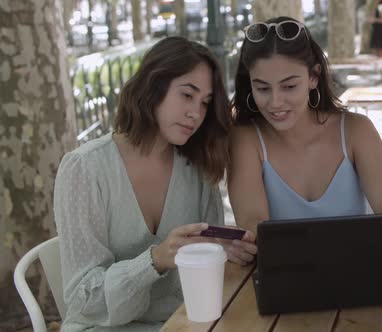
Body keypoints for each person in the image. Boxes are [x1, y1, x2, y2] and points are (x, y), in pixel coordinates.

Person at [53, 37, 257, 332]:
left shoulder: (198, 169)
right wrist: (156, 260)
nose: (195, 114)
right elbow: (83, 302)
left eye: (205, 103)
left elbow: (204, 277)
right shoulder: (84, 169)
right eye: (187, 95)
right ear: (152, 87)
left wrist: (223, 250)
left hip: (182, 324)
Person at [228, 17, 382, 234]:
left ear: (313, 76)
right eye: (263, 89)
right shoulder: (245, 139)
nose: (275, 102)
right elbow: (254, 229)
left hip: (359, 267)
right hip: (282, 269)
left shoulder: (357, 131)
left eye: (289, 86)